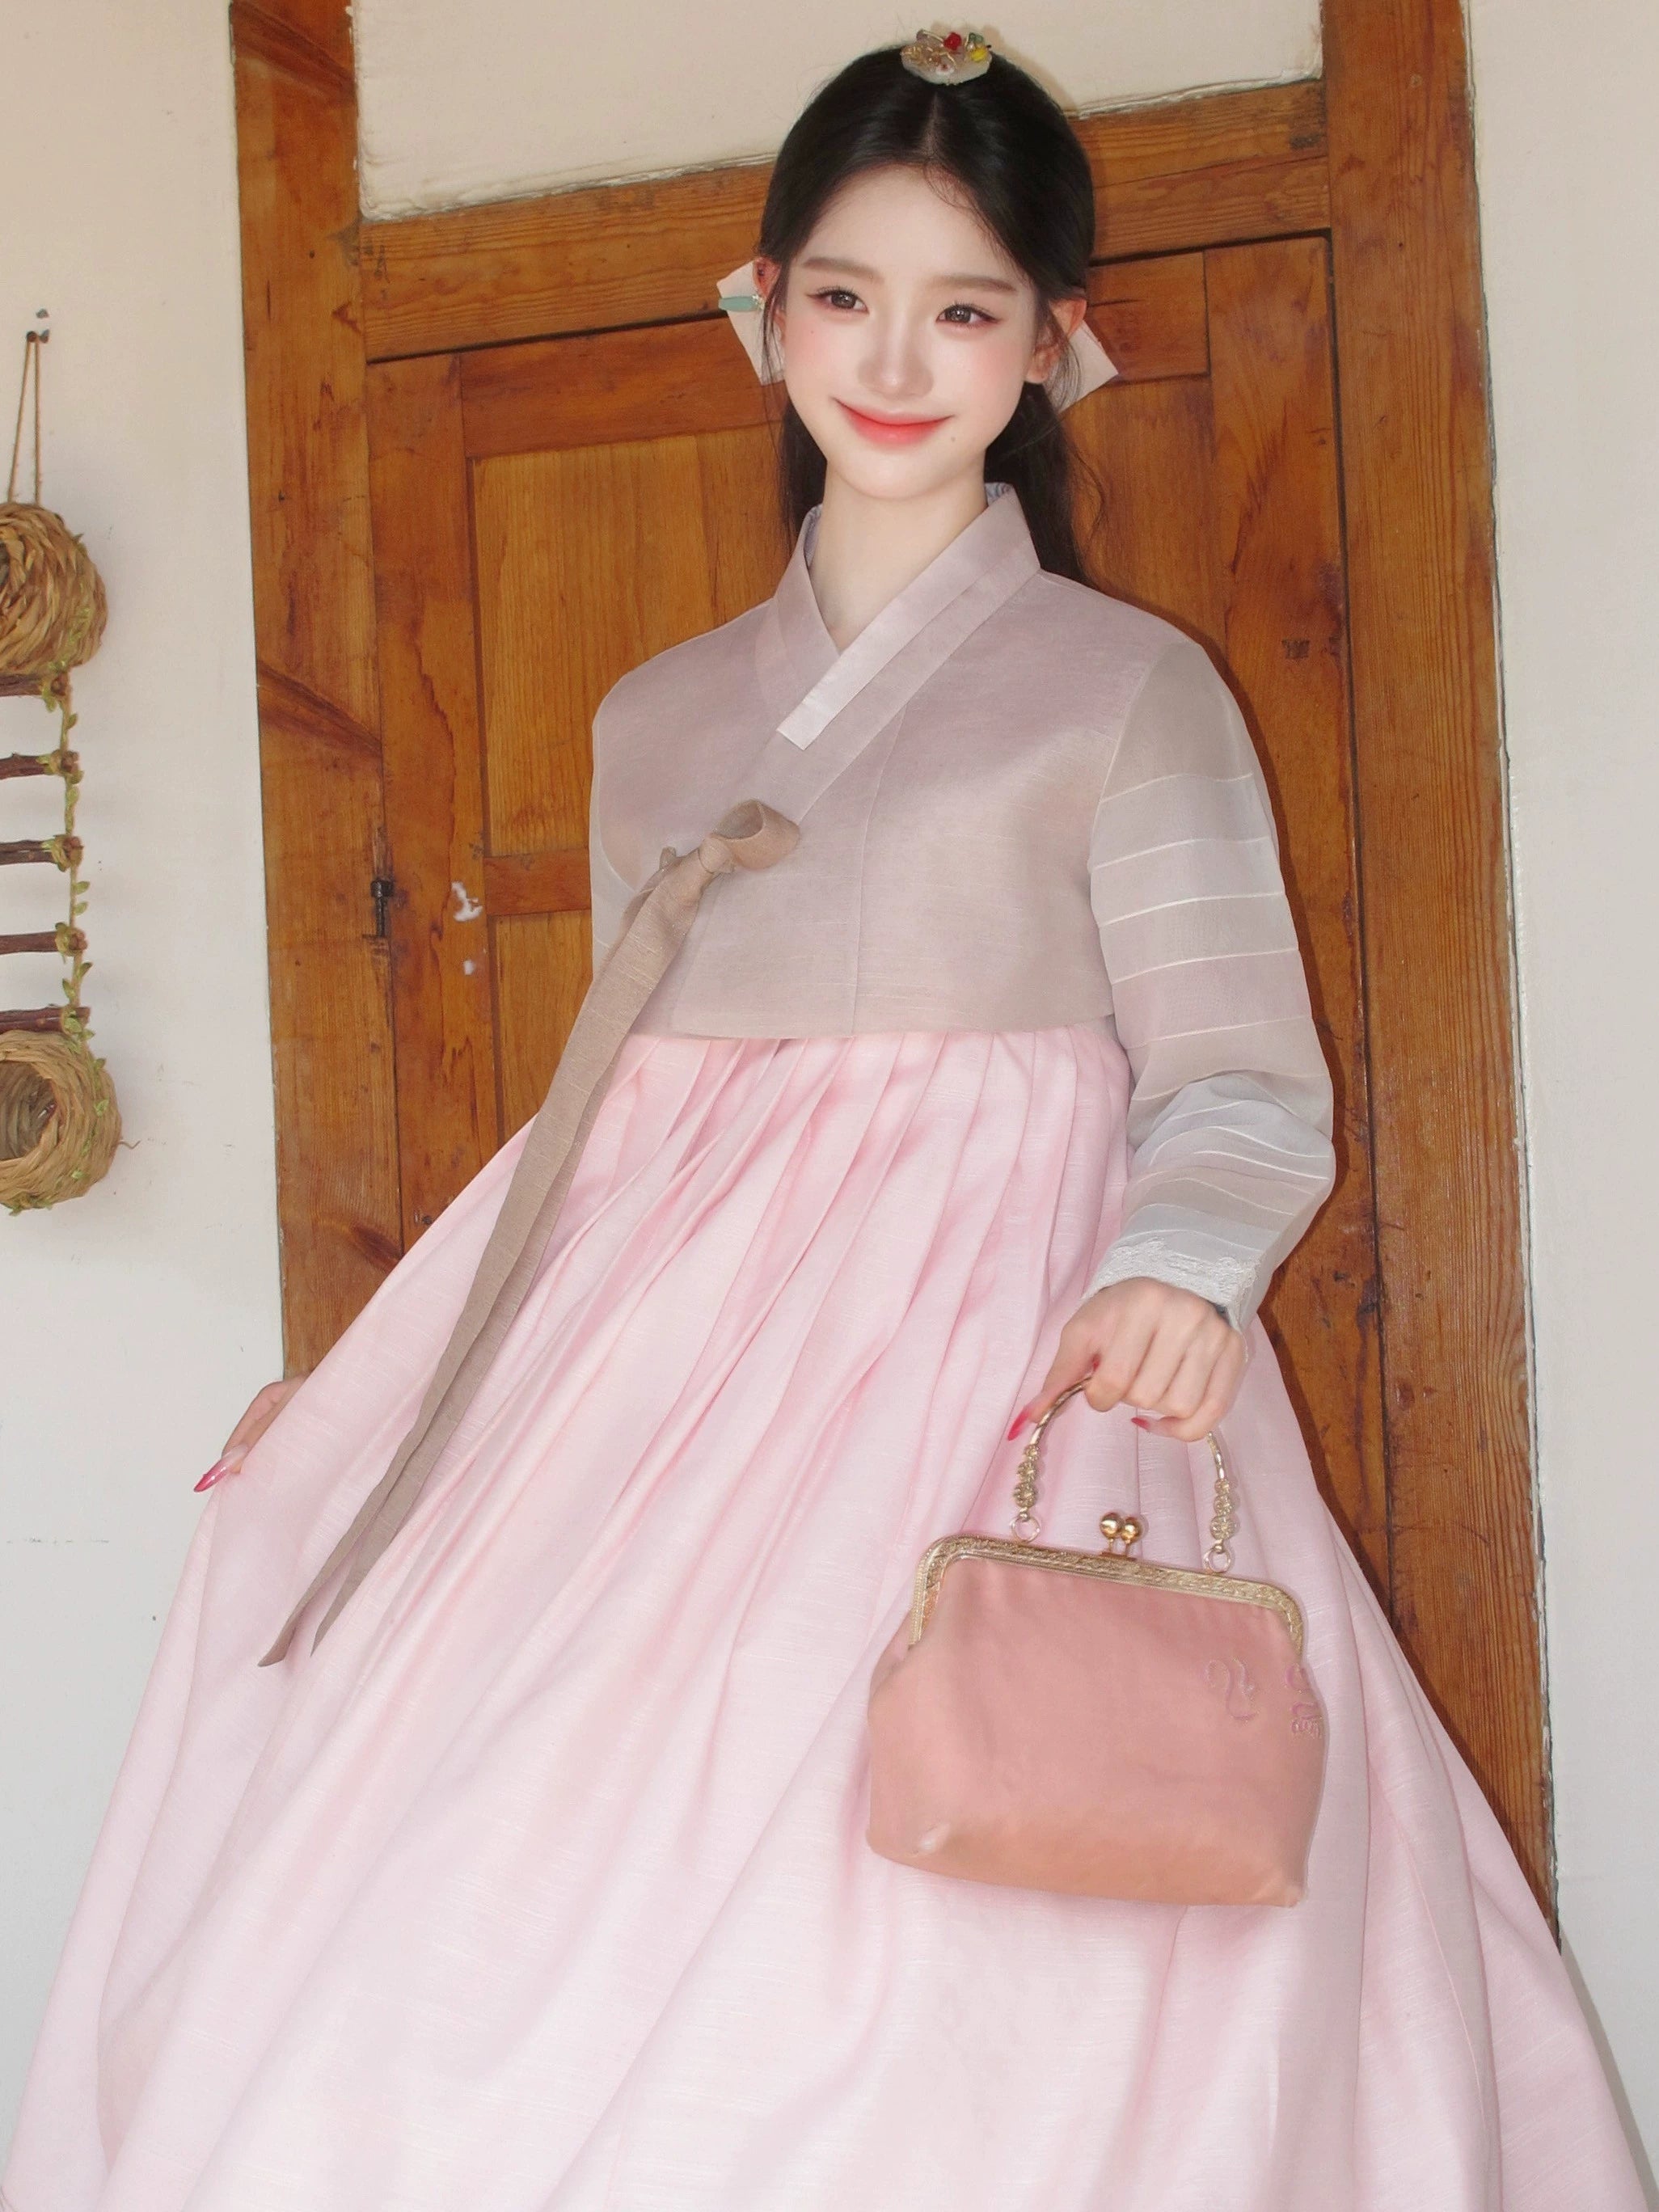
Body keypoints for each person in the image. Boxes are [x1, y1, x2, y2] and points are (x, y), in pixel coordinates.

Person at [4, 38, 1644, 2212]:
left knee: (968, 1945)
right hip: (667, 1367)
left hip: (1006, 1351)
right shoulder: (654, 712)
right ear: (755, 305)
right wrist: (375, 1405)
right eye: (846, 295)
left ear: (1055, 345)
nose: (897, 357)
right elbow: (597, 1119)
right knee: (487, 1881)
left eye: (966, 307)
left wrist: (1179, 1265)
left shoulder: (1122, 685)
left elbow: (1235, 1067)